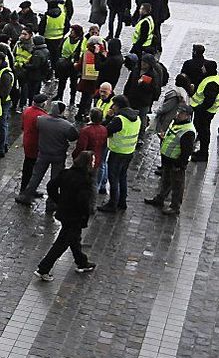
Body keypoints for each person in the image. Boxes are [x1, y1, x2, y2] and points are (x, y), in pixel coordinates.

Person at [34, 151, 97, 281]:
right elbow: (83, 202)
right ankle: (43, 269)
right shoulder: (85, 180)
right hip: (75, 217)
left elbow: (51, 186)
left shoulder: (66, 173)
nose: (94, 163)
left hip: (64, 213)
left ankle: (82, 262)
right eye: (93, 161)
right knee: (62, 244)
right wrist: (85, 216)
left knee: (74, 239)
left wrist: (59, 201)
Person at [16, 101, 78, 206]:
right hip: (58, 155)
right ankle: (51, 202)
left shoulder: (41, 120)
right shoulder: (66, 125)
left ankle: (27, 196)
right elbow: (74, 137)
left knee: (36, 176)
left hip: (43, 153)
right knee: (55, 179)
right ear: (62, 111)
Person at [145, 104, 196, 216]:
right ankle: (160, 198)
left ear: (188, 116)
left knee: (177, 185)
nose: (178, 114)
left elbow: (187, 151)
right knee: (166, 181)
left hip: (176, 163)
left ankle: (175, 207)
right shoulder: (177, 123)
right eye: (178, 112)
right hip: (168, 159)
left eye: (181, 113)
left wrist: (180, 164)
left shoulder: (188, 131)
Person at [98, 96, 140, 213]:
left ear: (118, 106)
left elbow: (106, 130)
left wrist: (108, 117)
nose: (112, 107)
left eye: (114, 105)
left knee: (114, 178)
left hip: (117, 153)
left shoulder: (119, 119)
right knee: (123, 177)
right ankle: (122, 202)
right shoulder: (136, 117)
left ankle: (112, 203)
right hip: (129, 152)